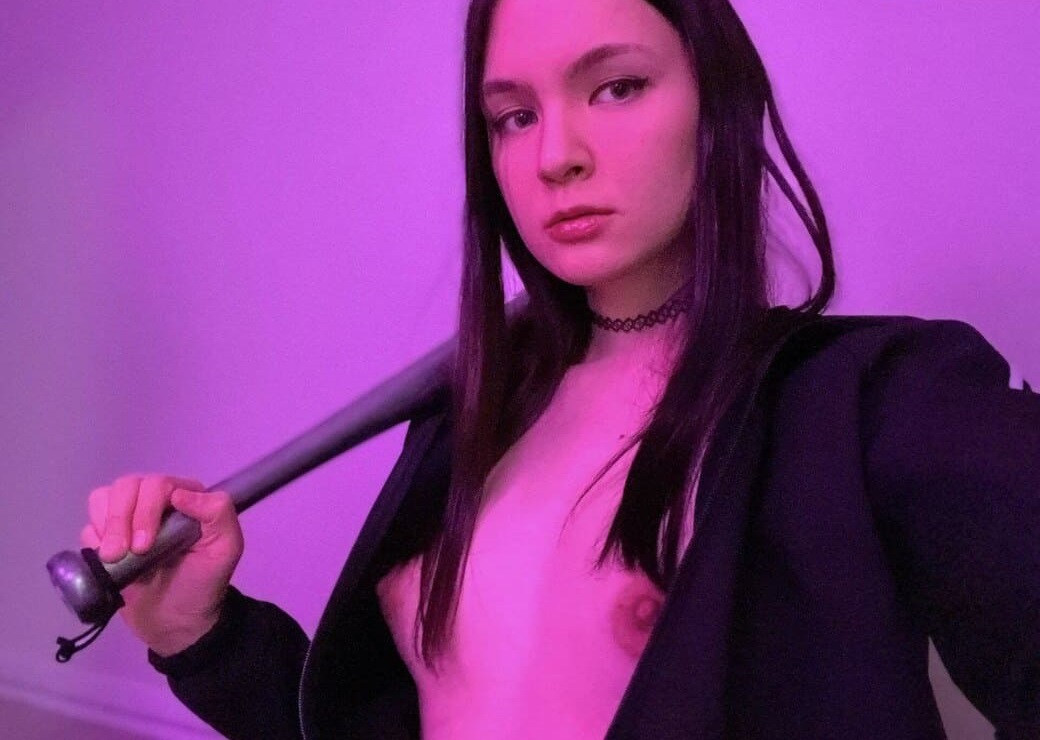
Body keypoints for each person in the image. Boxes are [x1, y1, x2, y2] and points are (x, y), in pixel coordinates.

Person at [79, 0, 1040, 738]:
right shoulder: (471, 413)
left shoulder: (877, 400)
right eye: (512, 116)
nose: (555, 156)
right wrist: (199, 634)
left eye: (616, 87)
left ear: (719, 100)